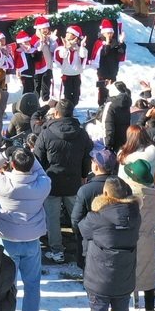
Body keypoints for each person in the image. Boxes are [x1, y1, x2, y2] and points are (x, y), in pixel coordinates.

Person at [75, 178, 141, 311]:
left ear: (105, 194)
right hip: (124, 278)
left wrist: (96, 208)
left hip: (99, 279)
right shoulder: (135, 214)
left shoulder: (98, 217)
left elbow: (82, 228)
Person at [0, 147, 50, 311]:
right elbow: (40, 170)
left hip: (7, 240)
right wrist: (28, 155)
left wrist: (2, 153)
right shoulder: (43, 184)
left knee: (6, 285)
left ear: (11, 164)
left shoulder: (2, 183)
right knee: (32, 283)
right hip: (32, 239)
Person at [34, 99, 90, 263]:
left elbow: (38, 158)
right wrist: (83, 175)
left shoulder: (46, 133)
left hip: (51, 182)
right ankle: (81, 248)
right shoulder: (81, 133)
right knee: (77, 216)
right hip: (74, 181)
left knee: (52, 219)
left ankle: (57, 251)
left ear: (56, 113)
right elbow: (87, 157)